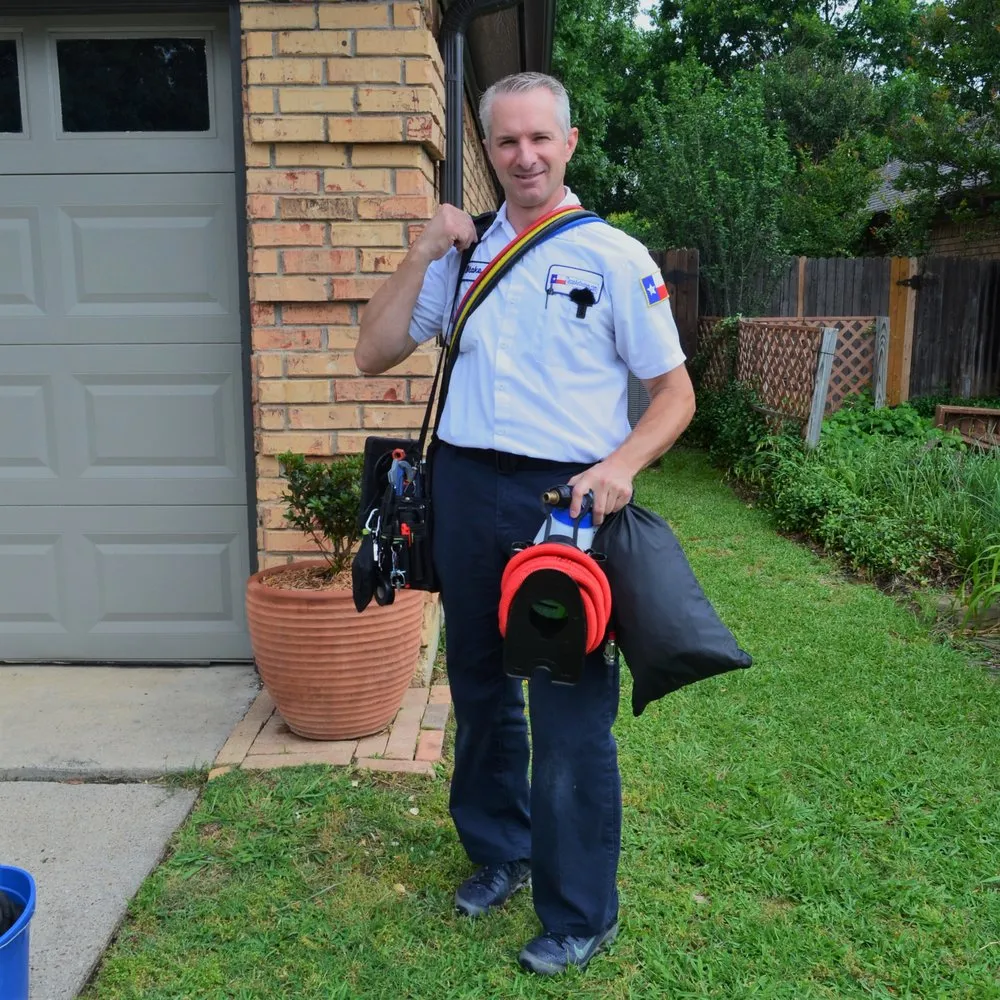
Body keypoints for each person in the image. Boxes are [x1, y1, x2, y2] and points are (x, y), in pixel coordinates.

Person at [355, 72, 696, 975]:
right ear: (490, 148)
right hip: (465, 489)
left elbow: (674, 395)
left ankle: (581, 908)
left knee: (570, 700)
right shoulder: (464, 253)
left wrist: (620, 466)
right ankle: (497, 849)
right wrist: (424, 247)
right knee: (476, 679)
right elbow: (371, 349)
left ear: (570, 144)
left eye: (540, 138)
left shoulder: (618, 258)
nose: (524, 156)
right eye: (506, 142)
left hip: (566, 506)